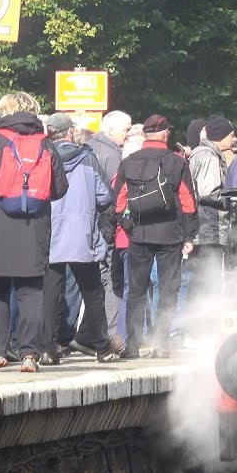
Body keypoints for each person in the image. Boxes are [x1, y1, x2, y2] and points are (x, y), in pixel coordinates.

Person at [0, 91, 69, 372]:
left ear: (4, 110)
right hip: (34, 227)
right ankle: (29, 355)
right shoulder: (44, 143)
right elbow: (59, 188)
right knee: (31, 291)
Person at [42, 113, 124, 363]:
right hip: (82, 234)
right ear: (69, 133)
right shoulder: (87, 158)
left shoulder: (43, 158)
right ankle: (101, 347)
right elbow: (104, 197)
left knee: (50, 292)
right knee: (92, 290)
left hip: (50, 234)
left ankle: (46, 348)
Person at [115, 115, 197, 358]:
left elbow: (118, 201)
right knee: (169, 290)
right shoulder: (176, 162)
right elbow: (188, 202)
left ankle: (132, 346)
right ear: (165, 133)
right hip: (170, 235)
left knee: (137, 292)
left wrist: (128, 226)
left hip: (139, 235)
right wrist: (189, 234)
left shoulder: (129, 162)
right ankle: (161, 344)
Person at [89, 110, 131, 336]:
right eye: (125, 128)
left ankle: (90, 333)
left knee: (94, 279)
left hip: (90, 223)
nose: (128, 133)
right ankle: (113, 333)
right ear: (110, 129)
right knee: (112, 279)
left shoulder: (89, 146)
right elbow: (117, 195)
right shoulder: (113, 154)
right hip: (107, 225)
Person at [187, 115, 234, 317]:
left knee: (199, 276)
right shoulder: (208, 157)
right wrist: (231, 201)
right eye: (231, 136)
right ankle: (203, 321)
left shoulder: (199, 154)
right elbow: (208, 192)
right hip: (209, 226)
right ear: (220, 137)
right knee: (208, 277)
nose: (233, 140)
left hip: (201, 225)